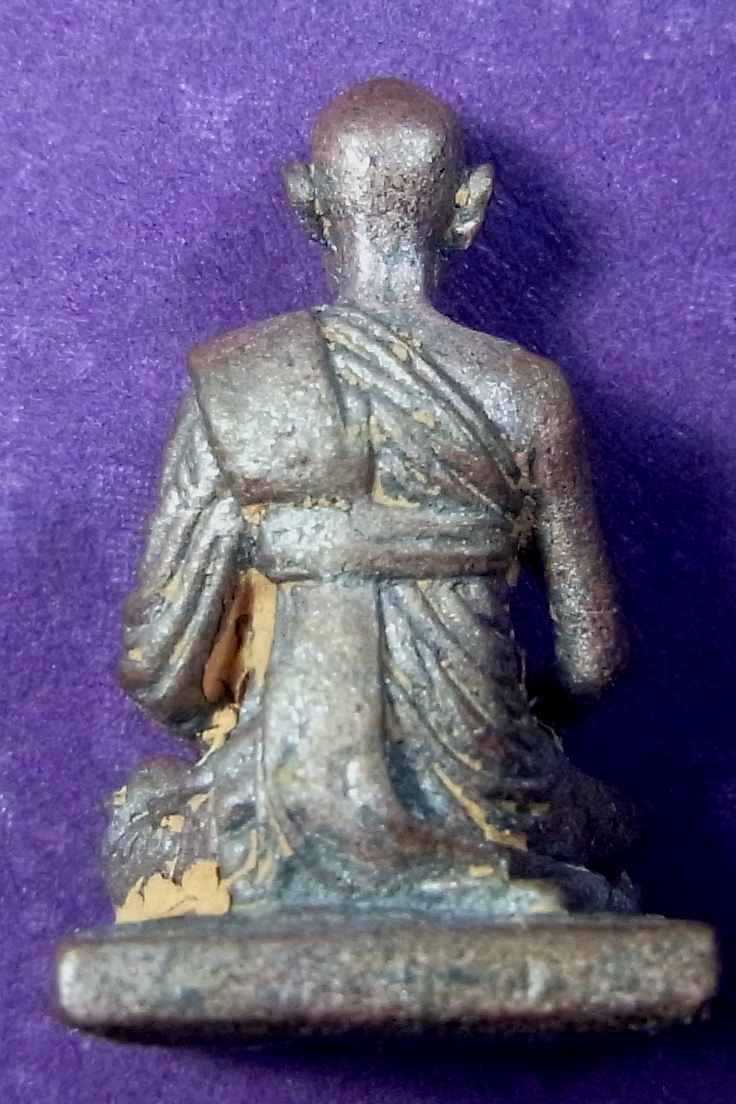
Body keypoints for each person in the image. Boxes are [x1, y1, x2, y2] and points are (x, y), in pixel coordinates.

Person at [109, 78, 636, 919]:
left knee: (145, 815)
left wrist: (241, 724)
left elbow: (159, 664)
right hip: (492, 792)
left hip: (276, 799)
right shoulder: (527, 393)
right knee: (609, 827)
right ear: (471, 206)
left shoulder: (243, 383)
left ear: (304, 200)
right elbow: (592, 659)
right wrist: (500, 717)